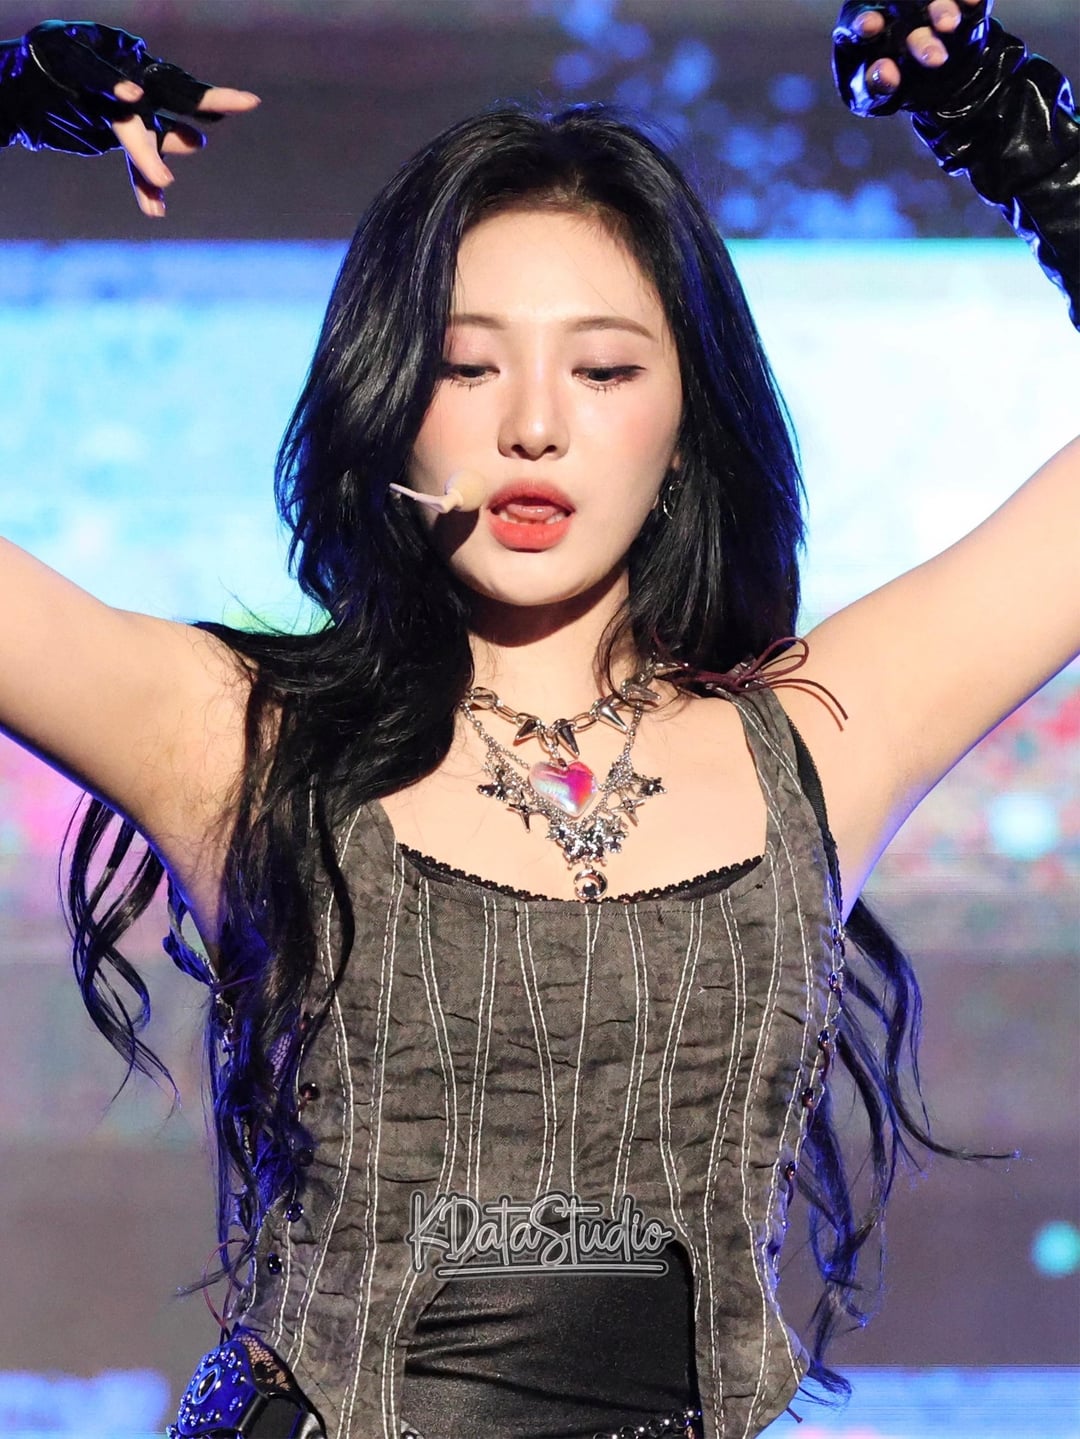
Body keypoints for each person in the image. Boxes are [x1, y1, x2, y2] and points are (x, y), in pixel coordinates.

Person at [0, 3, 1076, 1438]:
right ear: (391, 398)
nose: (534, 426)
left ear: (685, 424)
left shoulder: (819, 739)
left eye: (605, 370)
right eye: (468, 364)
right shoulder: (242, 741)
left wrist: (1019, 137)